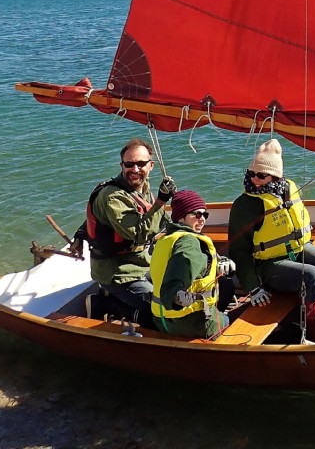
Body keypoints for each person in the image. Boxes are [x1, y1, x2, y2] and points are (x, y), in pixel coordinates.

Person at [227, 138, 315, 343]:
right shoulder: (245, 206)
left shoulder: (289, 188)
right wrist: (252, 287)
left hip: (299, 247)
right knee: (314, 276)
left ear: (276, 176)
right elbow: (238, 251)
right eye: (251, 174)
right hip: (269, 264)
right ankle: (310, 324)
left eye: (261, 175)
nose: (254, 179)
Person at [79, 137, 175, 323]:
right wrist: (161, 201)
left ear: (151, 166)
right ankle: (105, 304)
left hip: (143, 262)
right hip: (119, 272)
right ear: (121, 165)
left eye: (141, 164)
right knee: (157, 314)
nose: (135, 170)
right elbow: (138, 233)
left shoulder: (141, 187)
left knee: (174, 292)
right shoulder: (112, 196)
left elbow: (151, 217)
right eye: (129, 164)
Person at [149, 189, 234, 339]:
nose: (202, 219)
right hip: (191, 322)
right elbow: (182, 265)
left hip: (162, 319)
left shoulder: (167, 239)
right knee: (231, 322)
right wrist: (176, 295)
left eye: (205, 215)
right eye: (197, 214)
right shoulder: (188, 243)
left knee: (226, 285)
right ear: (181, 217)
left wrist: (220, 263)